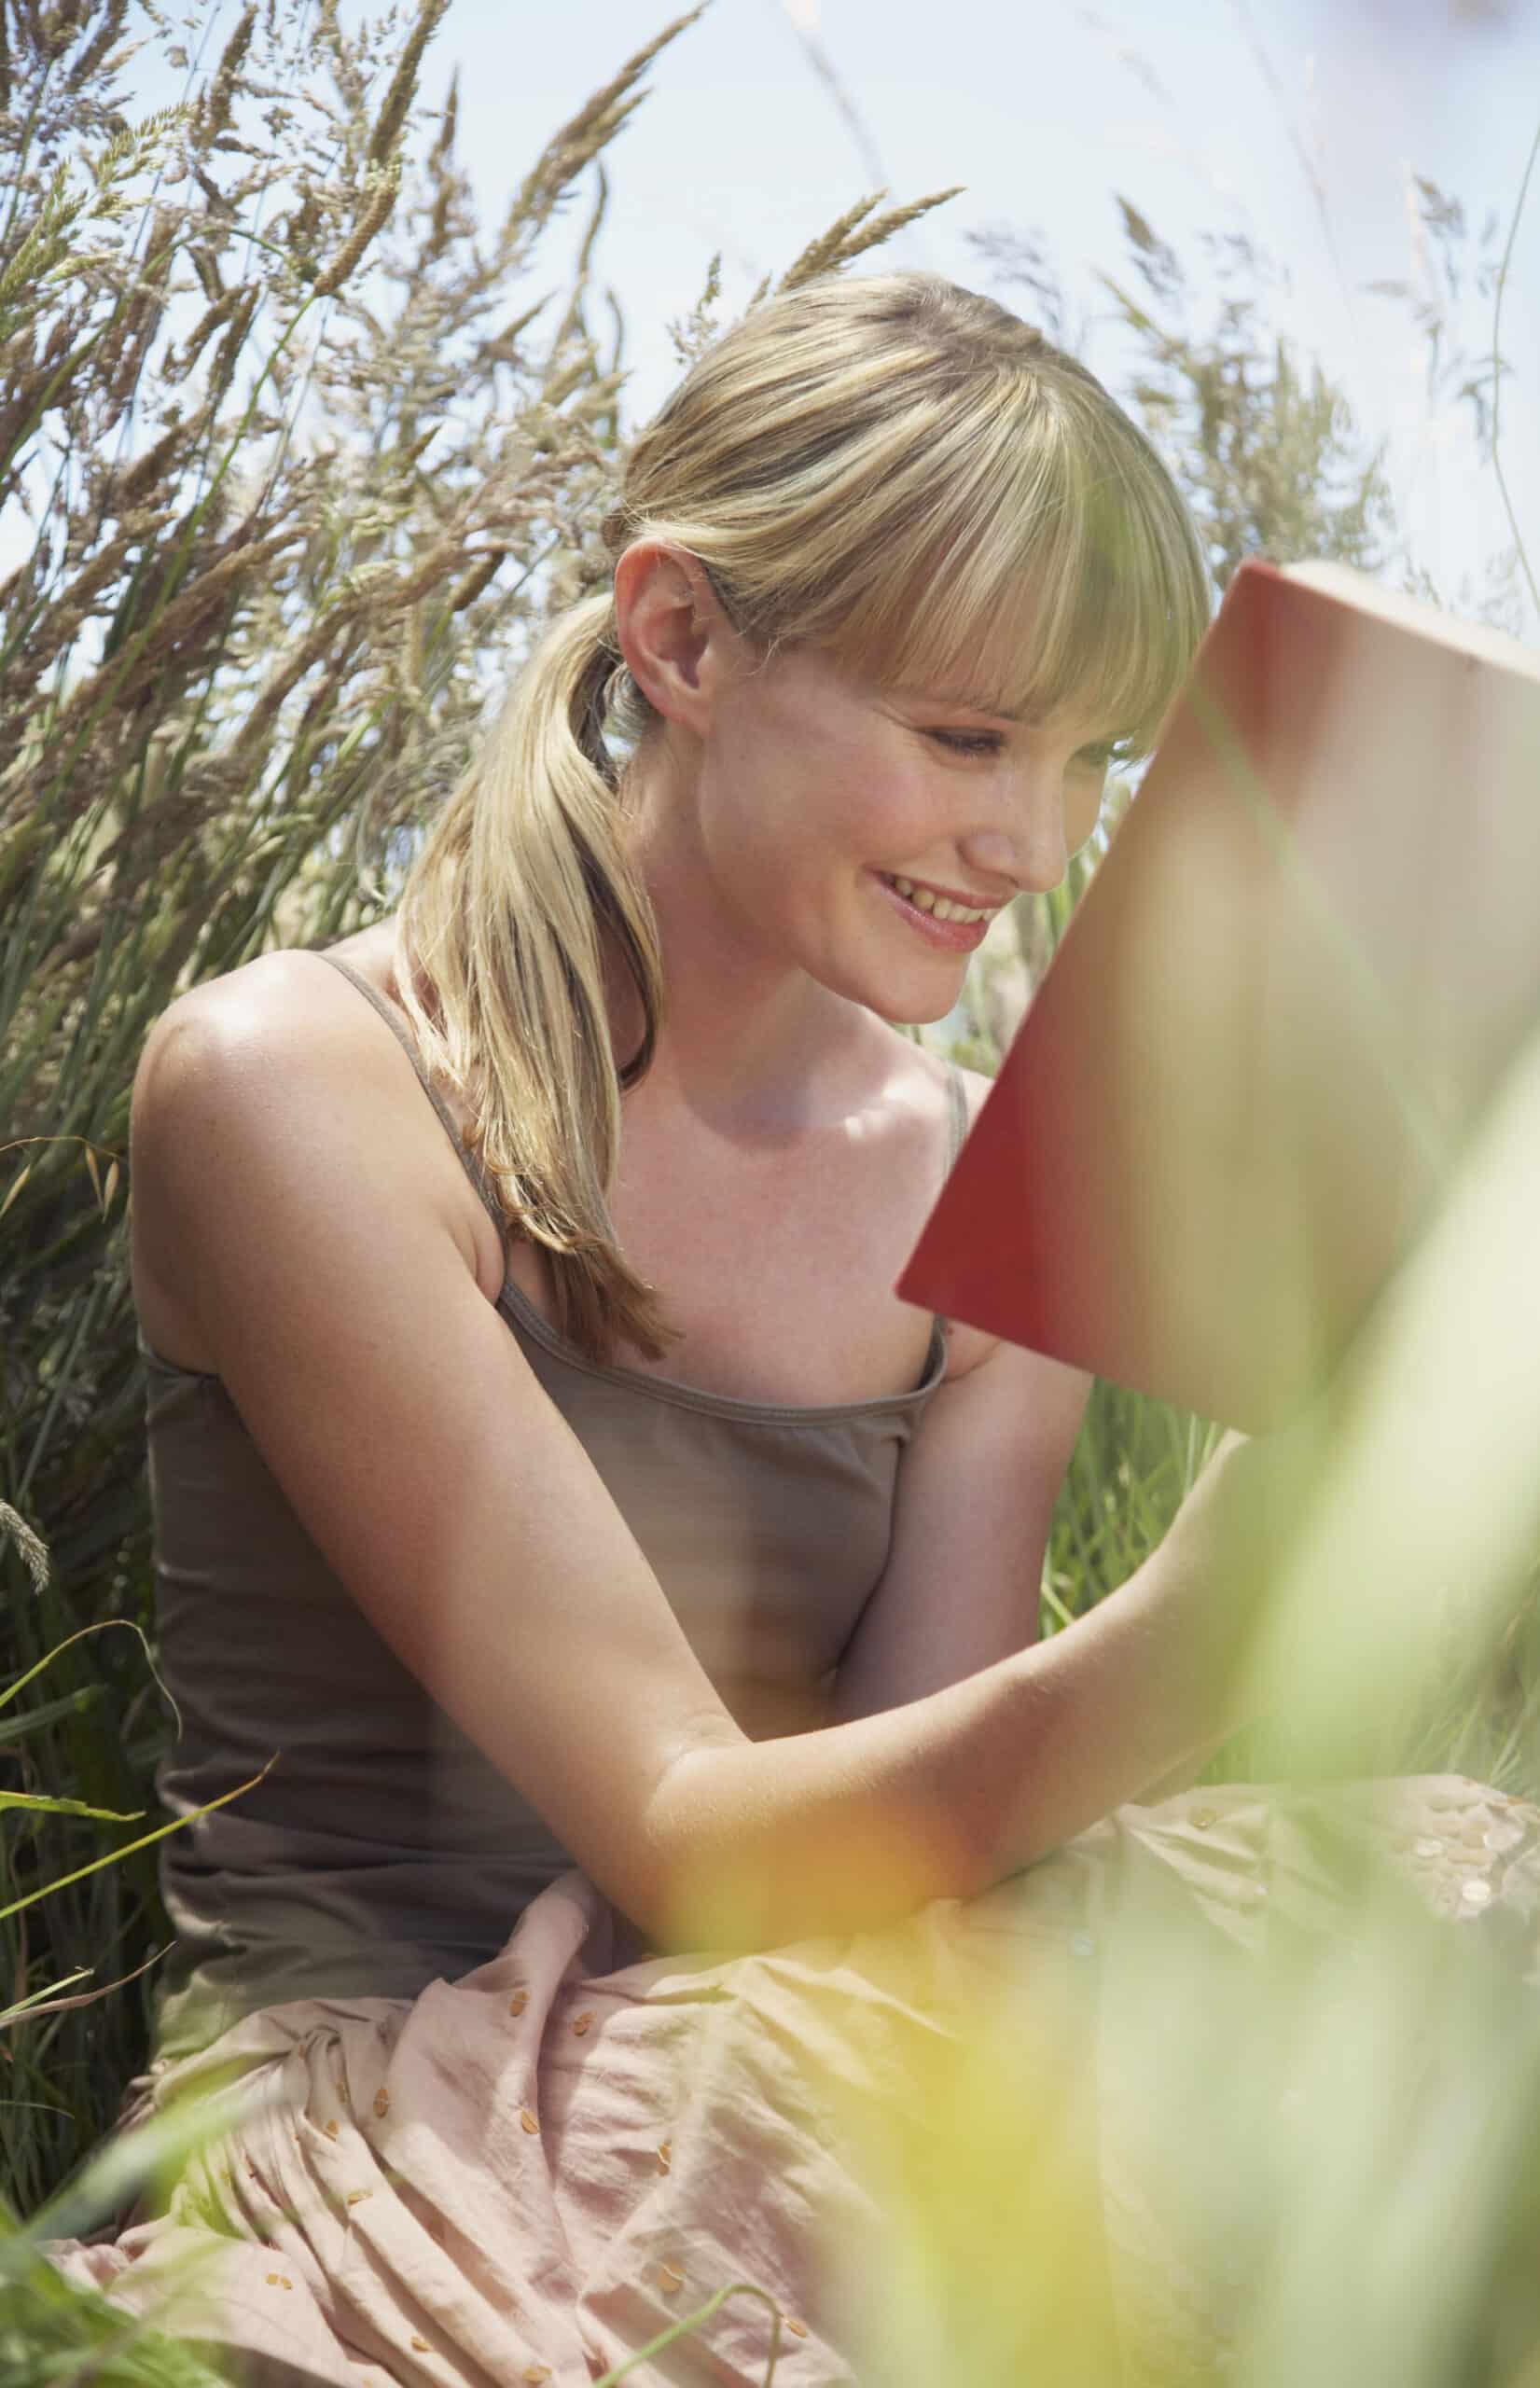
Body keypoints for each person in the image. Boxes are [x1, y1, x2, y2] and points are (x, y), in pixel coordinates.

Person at [43, 272, 1540, 2387]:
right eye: (961, 735)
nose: (1029, 842)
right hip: (402, 2092)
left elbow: (913, 1864)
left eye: (1090, 756)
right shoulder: (299, 1085)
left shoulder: (972, 1178)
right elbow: (683, 1833)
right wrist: (1216, 1604)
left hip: (798, 2017)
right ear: (680, 638)